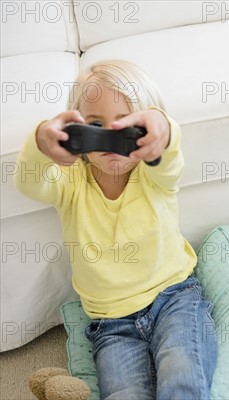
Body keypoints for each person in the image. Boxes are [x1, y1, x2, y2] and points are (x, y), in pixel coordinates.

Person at [15, 60, 217, 399]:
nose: (111, 137)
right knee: (123, 393)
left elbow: (170, 159)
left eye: (126, 126)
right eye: (96, 125)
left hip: (173, 300)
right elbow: (30, 184)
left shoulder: (154, 176)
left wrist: (163, 130)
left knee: (182, 375)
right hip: (112, 324)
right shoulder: (71, 182)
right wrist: (40, 142)